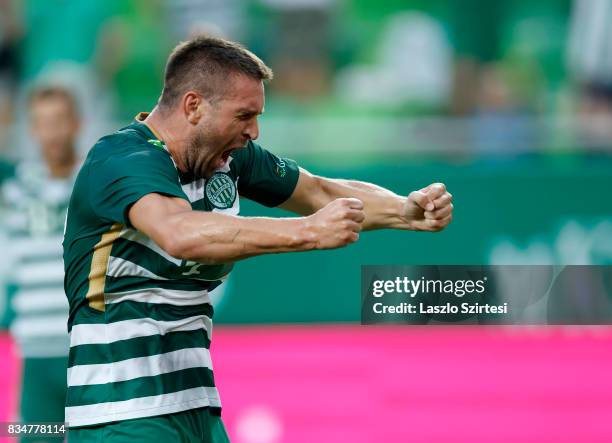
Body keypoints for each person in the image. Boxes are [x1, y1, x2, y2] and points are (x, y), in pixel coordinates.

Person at [63, 35, 453, 442]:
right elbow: (178, 233)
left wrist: (404, 210)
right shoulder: (122, 159)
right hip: (120, 412)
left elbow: (318, 191)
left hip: (197, 409)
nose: (254, 130)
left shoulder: (227, 158)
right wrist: (308, 231)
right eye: (244, 115)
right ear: (193, 106)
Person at [0, 85, 81, 443]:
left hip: (88, 353)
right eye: (43, 123)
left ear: (76, 123)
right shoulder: (16, 194)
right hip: (34, 354)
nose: (52, 133)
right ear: (32, 129)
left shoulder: (93, 184)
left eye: (59, 121)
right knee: (34, 435)